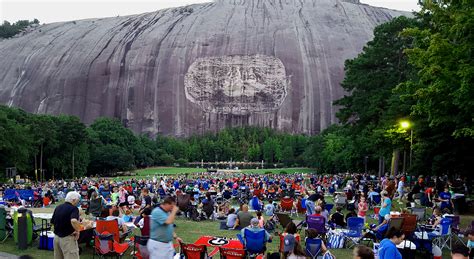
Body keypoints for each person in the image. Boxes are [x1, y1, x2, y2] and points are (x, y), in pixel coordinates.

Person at [51, 191, 83, 259]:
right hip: (67, 239)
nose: (78, 202)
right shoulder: (74, 208)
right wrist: (78, 231)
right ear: (74, 200)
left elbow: (53, 221)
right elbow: (73, 220)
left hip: (56, 238)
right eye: (77, 200)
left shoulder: (58, 207)